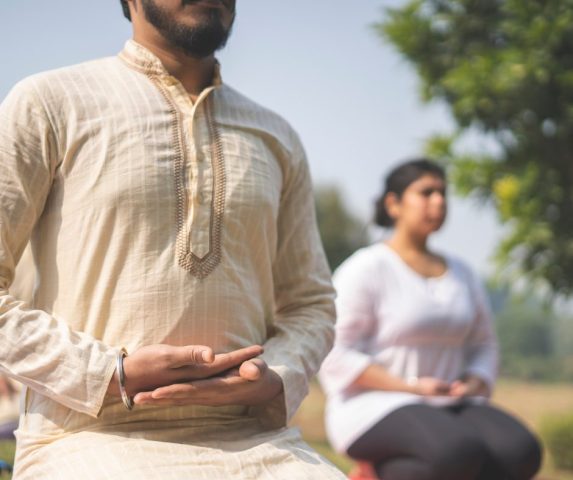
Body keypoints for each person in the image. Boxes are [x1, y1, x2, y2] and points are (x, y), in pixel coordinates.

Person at [0, 1, 345, 478]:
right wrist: (109, 374)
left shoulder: (275, 135)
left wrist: (276, 377)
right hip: (86, 438)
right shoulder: (50, 102)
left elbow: (311, 303)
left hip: (257, 445)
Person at [318, 159, 542, 480]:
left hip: (450, 406)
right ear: (393, 204)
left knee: (519, 452)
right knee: (456, 453)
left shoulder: (463, 273)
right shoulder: (366, 269)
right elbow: (333, 351)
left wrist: (476, 381)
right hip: (374, 405)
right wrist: (410, 386)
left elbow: (483, 343)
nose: (439, 201)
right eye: (426, 192)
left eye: (443, 193)